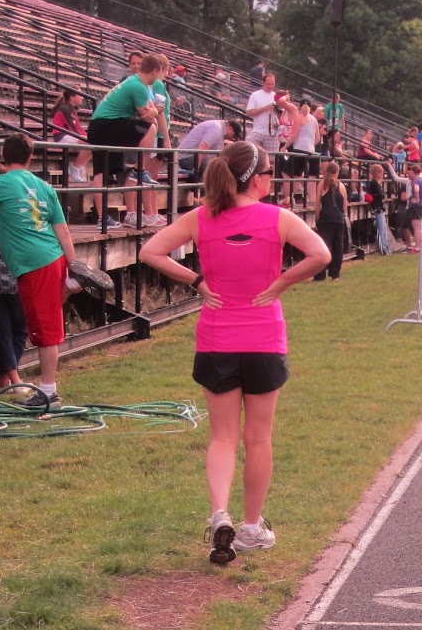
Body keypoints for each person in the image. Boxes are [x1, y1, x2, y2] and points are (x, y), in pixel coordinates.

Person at [139, 141, 330, 563]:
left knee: (222, 437)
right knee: (258, 438)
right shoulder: (279, 218)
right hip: (264, 340)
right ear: (258, 178)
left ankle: (219, 514)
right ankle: (250, 527)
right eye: (270, 172)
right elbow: (322, 254)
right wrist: (280, 284)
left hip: (217, 340)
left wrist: (196, 282)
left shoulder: (201, 217)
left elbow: (149, 251)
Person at [0, 133, 77, 406]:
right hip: (54, 256)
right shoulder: (44, 186)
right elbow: (63, 230)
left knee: (45, 331)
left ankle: (48, 392)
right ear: (30, 157)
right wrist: (74, 266)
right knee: (45, 324)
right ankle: (71, 285)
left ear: (3, 155)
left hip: (34, 264)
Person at [86, 53, 167, 228]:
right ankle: (139, 170)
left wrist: (151, 112)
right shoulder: (138, 85)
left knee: (100, 171)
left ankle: (102, 219)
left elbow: (148, 111)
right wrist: (153, 113)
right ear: (155, 71)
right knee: (150, 129)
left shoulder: (135, 82)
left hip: (98, 126)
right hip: (106, 125)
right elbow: (148, 117)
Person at [0, 161, 28, 387]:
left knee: (3, 332)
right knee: (20, 330)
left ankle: (6, 378)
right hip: (16, 279)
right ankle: (10, 379)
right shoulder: (11, 210)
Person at [313, 160, 349, 280]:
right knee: (338, 246)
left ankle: (320, 274)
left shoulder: (321, 184)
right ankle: (335, 274)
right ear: (337, 172)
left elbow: (318, 204)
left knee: (323, 246)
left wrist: (317, 217)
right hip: (338, 219)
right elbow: (344, 206)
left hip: (325, 219)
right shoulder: (342, 186)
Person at [177, 118, 237, 185]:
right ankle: (205, 192)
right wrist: (196, 168)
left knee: (217, 165)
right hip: (186, 157)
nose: (232, 138)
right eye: (233, 135)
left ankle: (202, 190)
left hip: (191, 156)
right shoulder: (216, 129)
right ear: (230, 129)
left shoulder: (219, 130)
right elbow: (203, 147)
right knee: (210, 166)